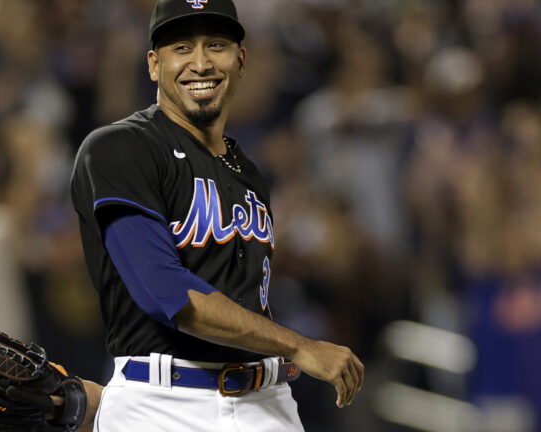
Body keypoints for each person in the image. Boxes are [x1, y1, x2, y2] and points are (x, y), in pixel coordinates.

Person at [70, 1, 364, 430]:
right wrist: (299, 346)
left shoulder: (248, 172)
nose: (201, 62)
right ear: (154, 65)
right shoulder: (120, 148)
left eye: (217, 45)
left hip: (268, 401)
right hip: (163, 403)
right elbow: (168, 294)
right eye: (182, 47)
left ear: (240, 60)